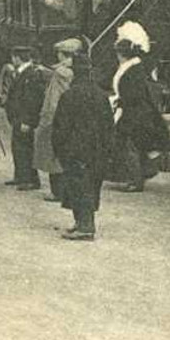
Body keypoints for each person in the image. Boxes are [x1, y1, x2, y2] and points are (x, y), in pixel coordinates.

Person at [52, 51, 115, 240]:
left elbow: (60, 127)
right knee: (91, 186)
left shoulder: (69, 96)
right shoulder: (101, 96)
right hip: (96, 151)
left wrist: (59, 149)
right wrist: (107, 150)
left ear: (74, 73)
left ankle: (85, 227)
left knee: (78, 186)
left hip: (74, 150)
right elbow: (108, 126)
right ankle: (82, 223)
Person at [109, 22, 167, 193]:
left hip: (135, 113)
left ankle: (135, 180)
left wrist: (119, 102)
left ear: (122, 55)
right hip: (134, 110)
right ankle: (136, 176)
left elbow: (132, 95)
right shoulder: (133, 66)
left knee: (129, 145)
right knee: (132, 145)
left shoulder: (132, 71)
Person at [32, 38, 79, 202]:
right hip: (67, 117)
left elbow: (53, 97)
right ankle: (65, 191)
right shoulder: (73, 71)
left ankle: (56, 192)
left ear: (62, 54)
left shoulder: (60, 73)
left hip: (54, 117)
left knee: (52, 156)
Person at [0, 45, 46, 190]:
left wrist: (28, 121)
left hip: (24, 118)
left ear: (17, 58)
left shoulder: (31, 74)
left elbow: (32, 100)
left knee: (25, 148)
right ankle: (20, 176)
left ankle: (30, 180)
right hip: (18, 117)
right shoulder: (24, 72)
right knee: (18, 147)